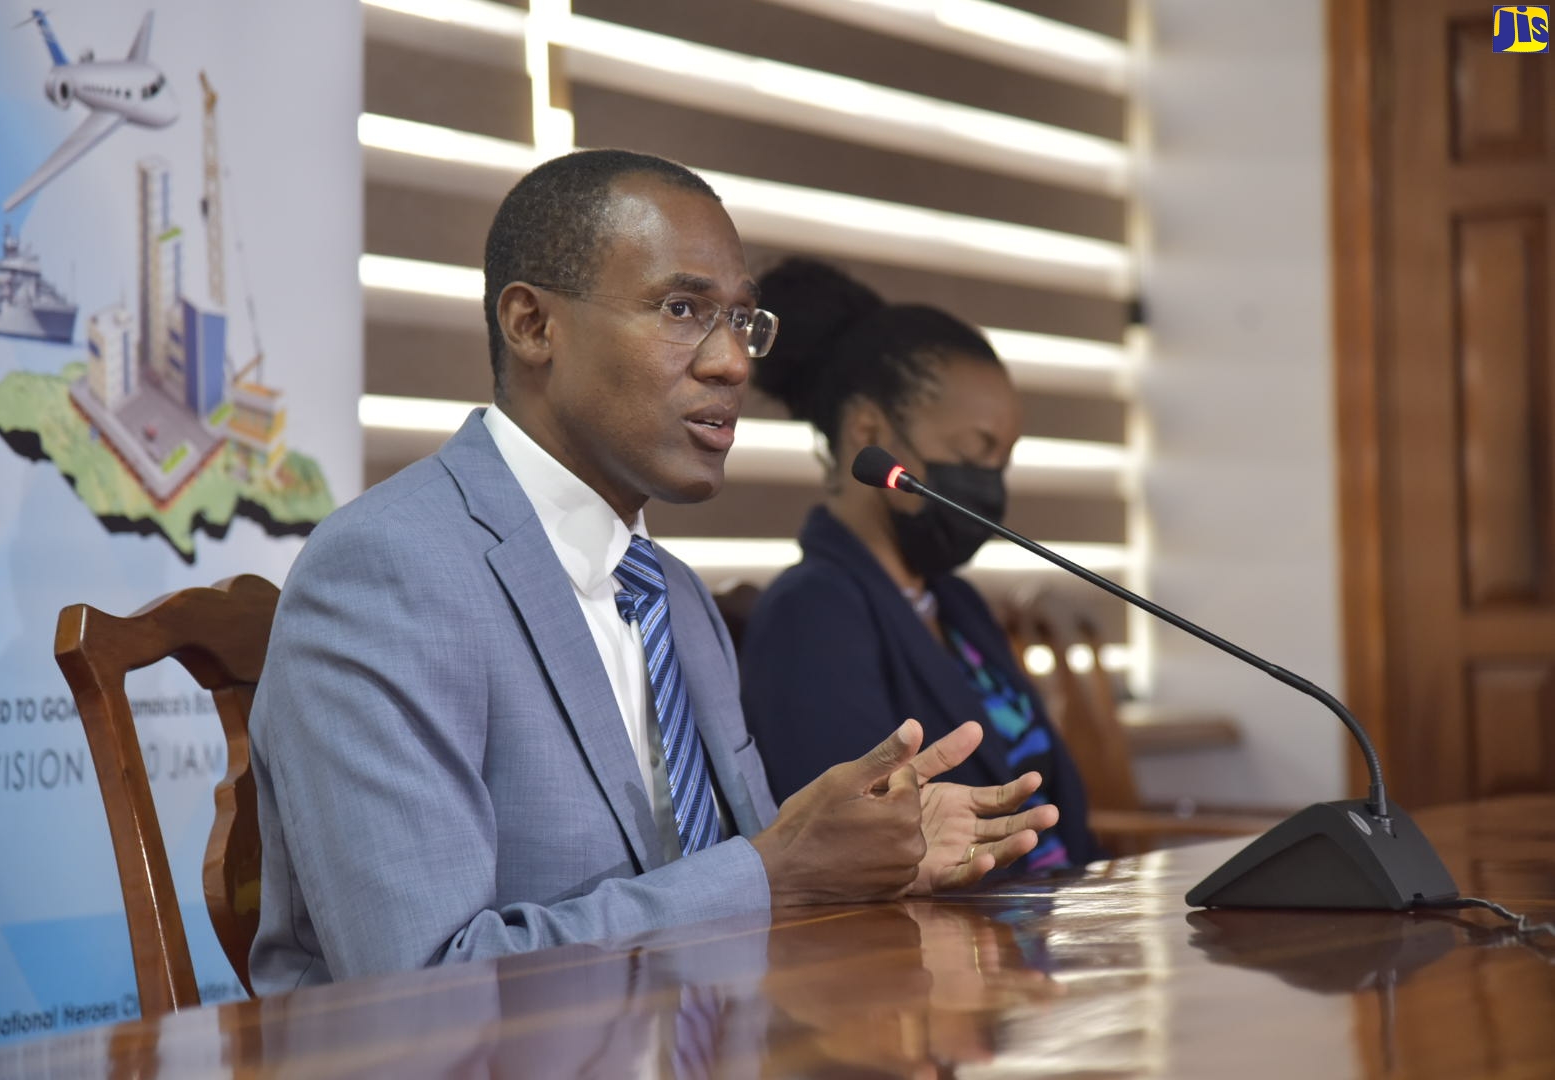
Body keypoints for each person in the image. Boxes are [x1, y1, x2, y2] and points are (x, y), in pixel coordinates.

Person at [247, 150, 1061, 994]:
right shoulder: (388, 572)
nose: (734, 364)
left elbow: (728, 893)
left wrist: (864, 860)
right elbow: (423, 983)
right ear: (532, 325)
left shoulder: (673, 594)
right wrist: (779, 871)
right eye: (682, 309)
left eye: (743, 320)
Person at [741, 258, 1102, 871]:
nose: (989, 485)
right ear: (869, 433)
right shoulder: (812, 615)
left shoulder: (957, 606)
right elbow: (855, 857)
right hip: (960, 952)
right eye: (974, 451)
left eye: (1002, 461)